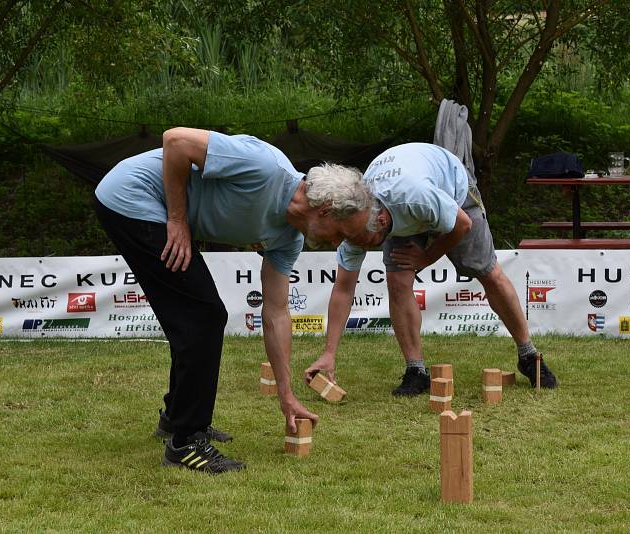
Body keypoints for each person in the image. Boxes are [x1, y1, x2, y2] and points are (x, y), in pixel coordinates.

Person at [94, 127, 373, 474]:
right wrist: (178, 219)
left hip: (150, 207)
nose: (338, 245)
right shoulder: (263, 167)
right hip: (131, 196)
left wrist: (286, 395)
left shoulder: (288, 239)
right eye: (343, 235)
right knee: (204, 315)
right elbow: (175, 141)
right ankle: (185, 442)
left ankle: (175, 419)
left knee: (196, 315)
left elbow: (276, 312)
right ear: (327, 210)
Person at [304, 143, 557, 396]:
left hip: (453, 191)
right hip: (401, 206)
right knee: (397, 280)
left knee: (487, 272)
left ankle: (528, 355)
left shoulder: (413, 195)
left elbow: (462, 225)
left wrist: (425, 258)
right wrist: (329, 353)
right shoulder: (353, 223)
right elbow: (343, 289)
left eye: (363, 241)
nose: (358, 246)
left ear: (380, 222)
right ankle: (416, 371)